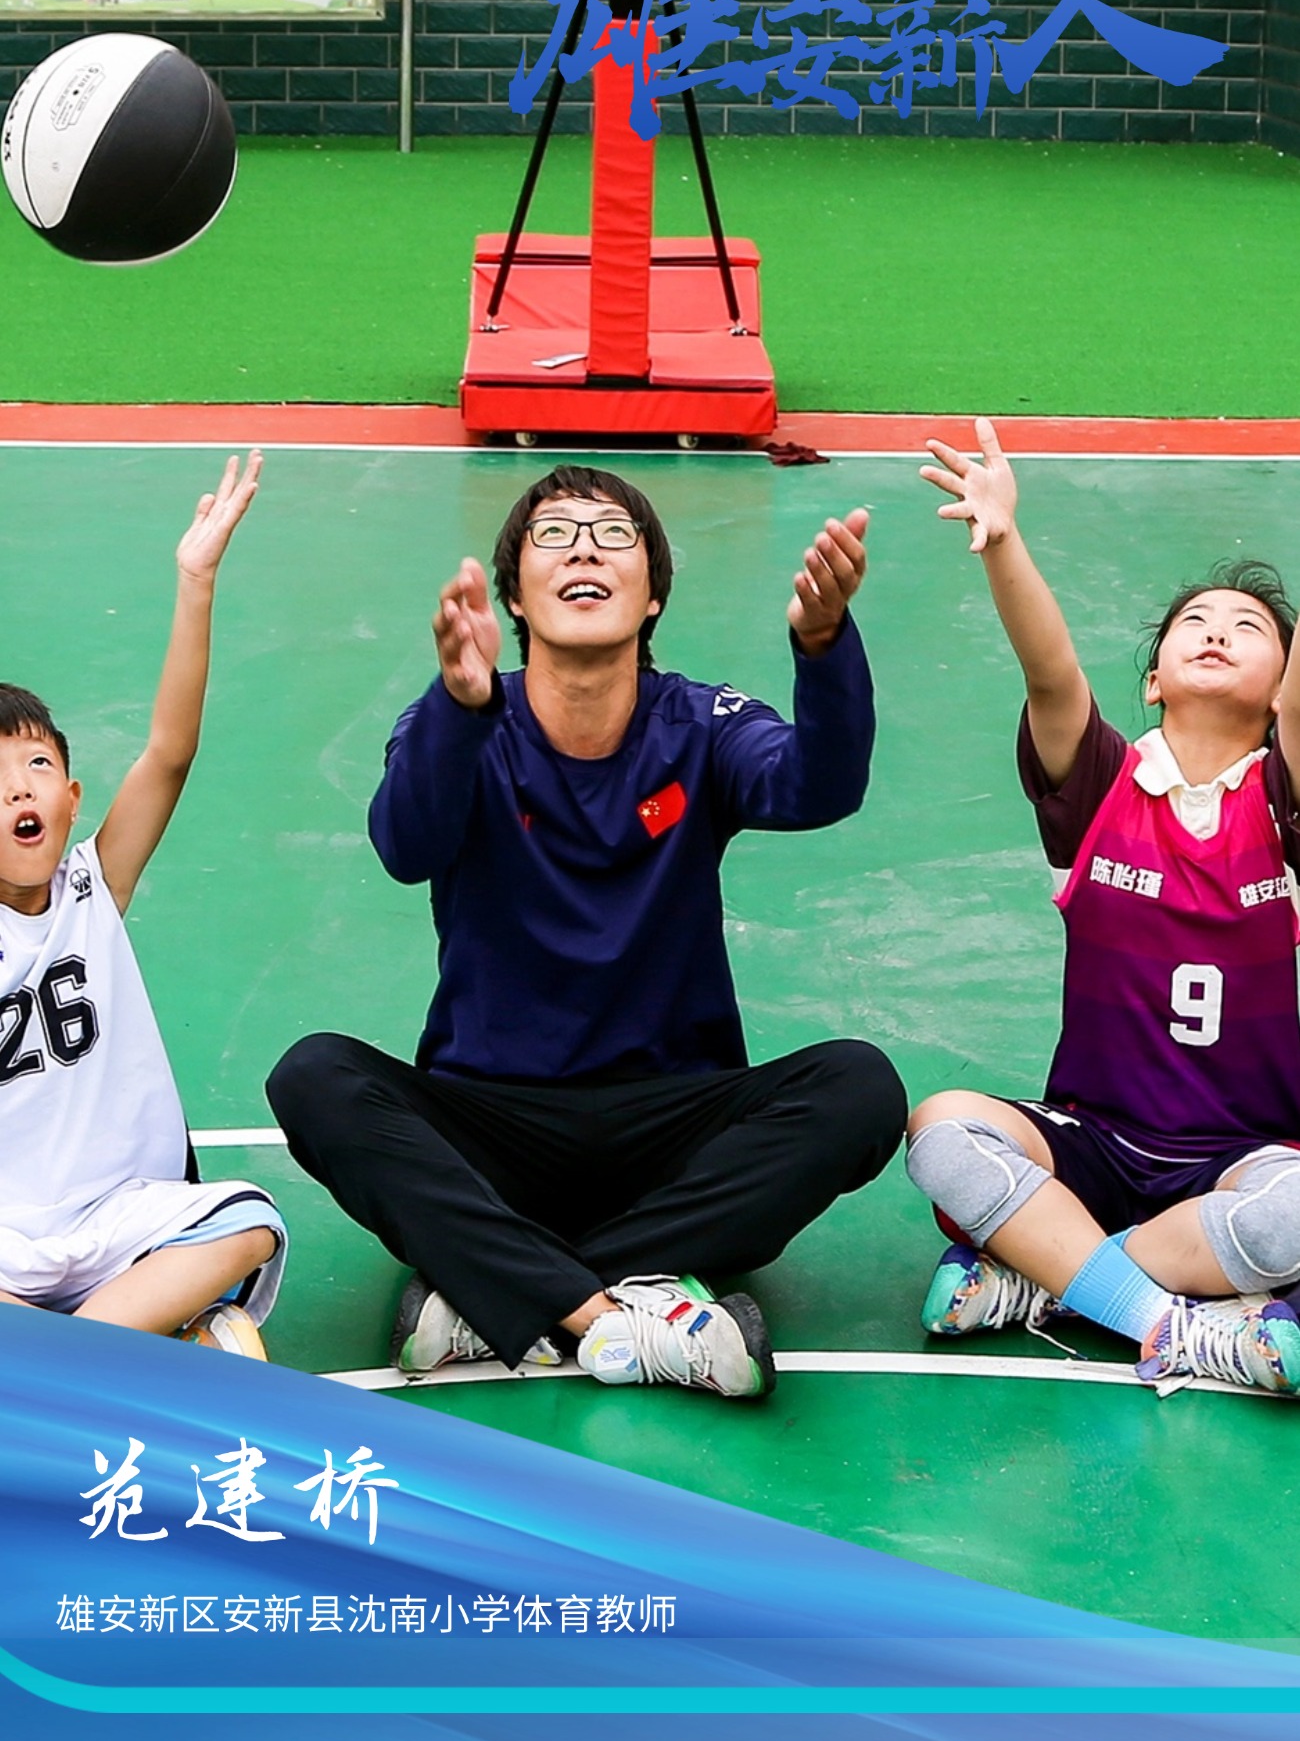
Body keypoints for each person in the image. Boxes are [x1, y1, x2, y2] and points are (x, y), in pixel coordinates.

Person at [267, 463, 905, 1399]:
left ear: (653, 596)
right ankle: (632, 1308)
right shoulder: (457, 721)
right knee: (313, 1076)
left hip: (672, 1126)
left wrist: (823, 644)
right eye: (555, 536)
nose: (583, 551)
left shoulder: (703, 724)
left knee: (861, 1088)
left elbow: (821, 785)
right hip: (493, 1125)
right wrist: (459, 708)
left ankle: (496, 1293)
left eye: (613, 536)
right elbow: (405, 846)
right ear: (514, 595)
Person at [905, 417, 1300, 1395]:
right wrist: (1003, 540)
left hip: (1246, 1159)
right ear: (1155, 679)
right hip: (1091, 1141)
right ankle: (1166, 1318)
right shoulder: (1099, 789)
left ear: (1279, 691)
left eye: (1250, 628)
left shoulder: (1284, 806)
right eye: (1195, 621)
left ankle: (1049, 1272)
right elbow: (1051, 673)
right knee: (942, 1127)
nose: (1218, 629)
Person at [0, 452, 285, 1355]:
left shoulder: (93, 882)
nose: (19, 788)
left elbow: (168, 748)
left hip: (125, 1215)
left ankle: (62, 1355)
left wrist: (195, 580)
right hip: (9, 1236)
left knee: (251, 1223)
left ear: (72, 797)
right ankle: (149, 1343)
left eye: (36, 764)